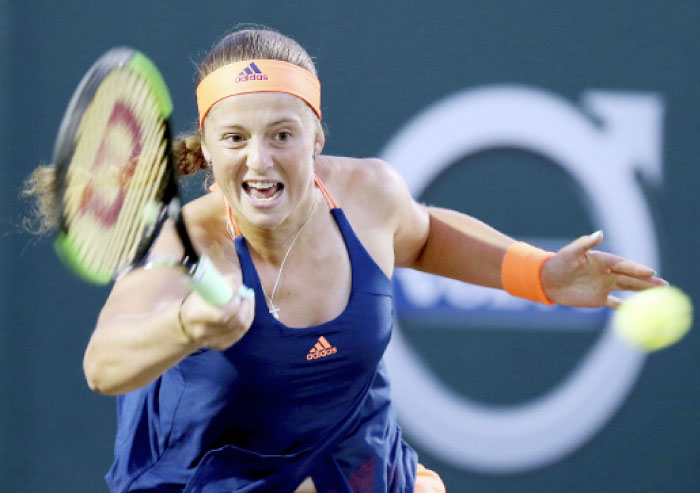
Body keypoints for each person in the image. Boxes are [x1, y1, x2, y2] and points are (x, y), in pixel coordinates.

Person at [24, 27, 665, 493]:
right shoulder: (185, 246)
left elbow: (427, 236)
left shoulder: (368, 196)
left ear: (317, 137)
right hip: (211, 476)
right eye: (235, 139)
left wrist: (541, 274)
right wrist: (184, 326)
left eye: (283, 134)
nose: (260, 160)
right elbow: (104, 364)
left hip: (352, 458)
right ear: (209, 154)